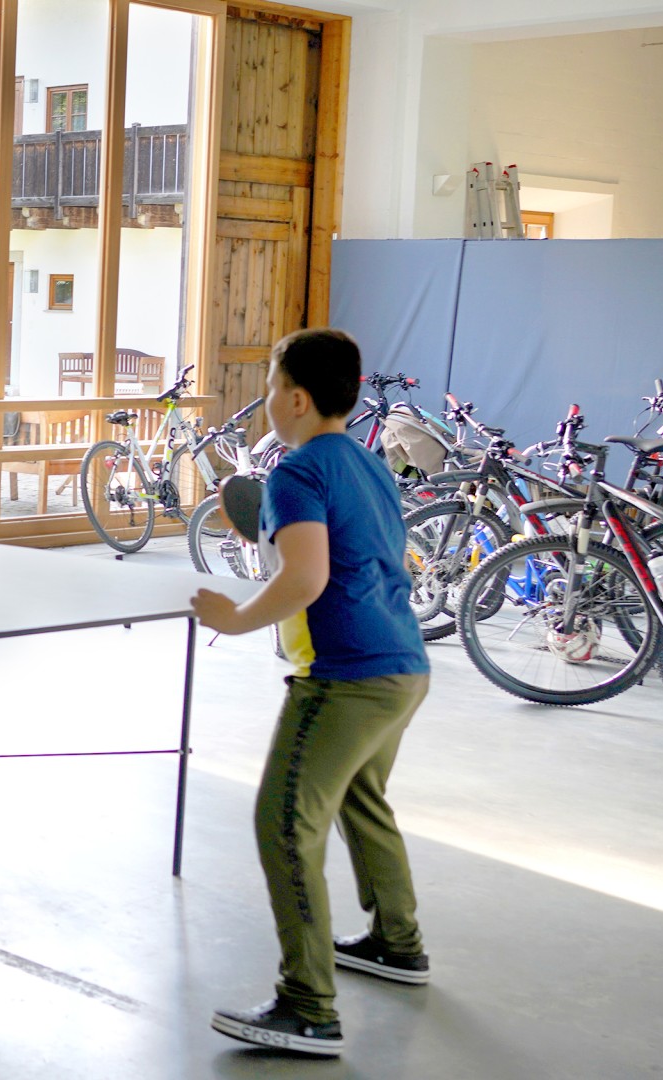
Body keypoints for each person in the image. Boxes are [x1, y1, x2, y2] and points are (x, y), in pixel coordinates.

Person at [191, 328, 432, 1059]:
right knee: (360, 798)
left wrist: (232, 618)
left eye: (269, 387)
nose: (266, 400)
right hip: (404, 666)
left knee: (285, 822)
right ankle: (397, 943)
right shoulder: (366, 460)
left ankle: (308, 1006)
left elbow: (305, 579)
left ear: (295, 398)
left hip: (348, 677)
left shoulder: (296, 473)